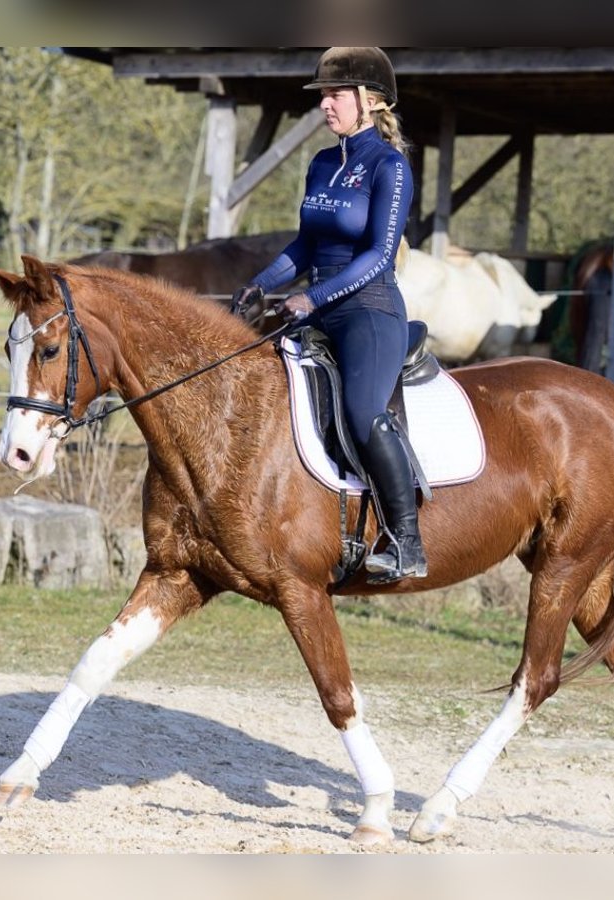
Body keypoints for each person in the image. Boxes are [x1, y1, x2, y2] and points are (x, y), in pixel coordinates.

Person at [231, 46, 425, 584]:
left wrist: (312, 299)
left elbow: (379, 256)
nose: (326, 106)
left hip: (368, 310)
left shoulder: (389, 166)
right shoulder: (321, 163)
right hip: (318, 307)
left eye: (335, 95)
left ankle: (406, 540)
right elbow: (304, 246)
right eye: (323, 97)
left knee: (364, 412)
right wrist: (258, 284)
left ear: (369, 101)